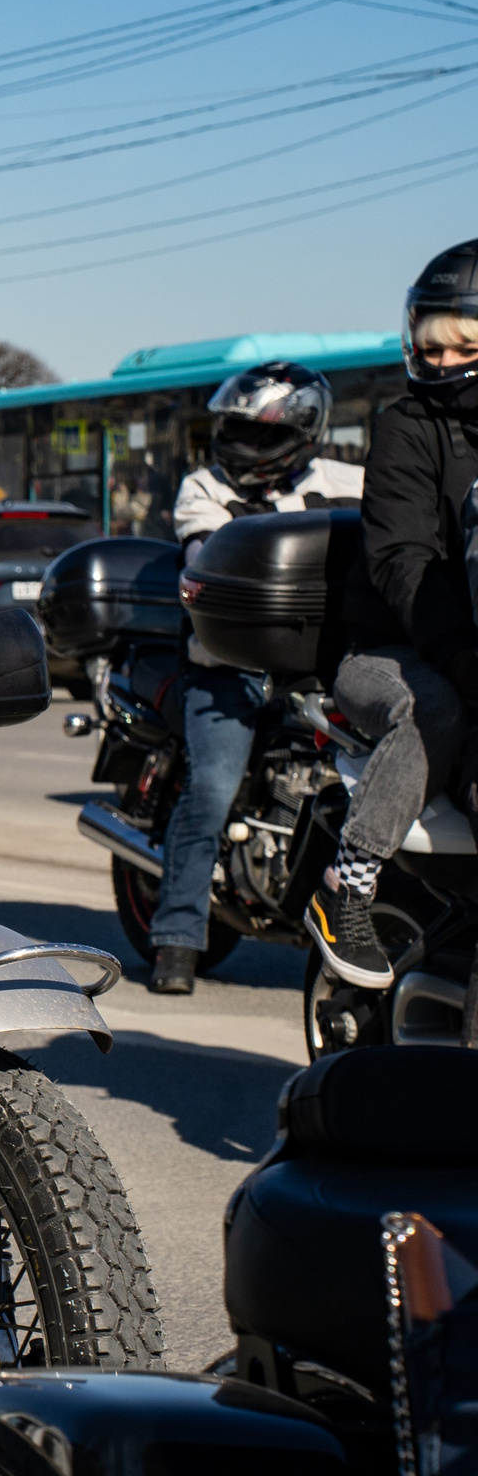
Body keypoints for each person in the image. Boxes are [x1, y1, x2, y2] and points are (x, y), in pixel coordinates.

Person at [143, 363, 356, 995]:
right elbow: (202, 558)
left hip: (318, 670)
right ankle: (177, 939)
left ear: (303, 433)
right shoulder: (201, 488)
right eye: (235, 429)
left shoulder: (346, 484)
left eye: (260, 434)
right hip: (227, 671)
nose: (243, 445)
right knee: (211, 787)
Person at [327, 240, 478, 992]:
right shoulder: (407, 426)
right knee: (436, 706)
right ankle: (348, 883)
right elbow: (402, 562)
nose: (441, 358)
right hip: (395, 647)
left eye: (464, 344)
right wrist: (466, 658)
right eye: (429, 340)